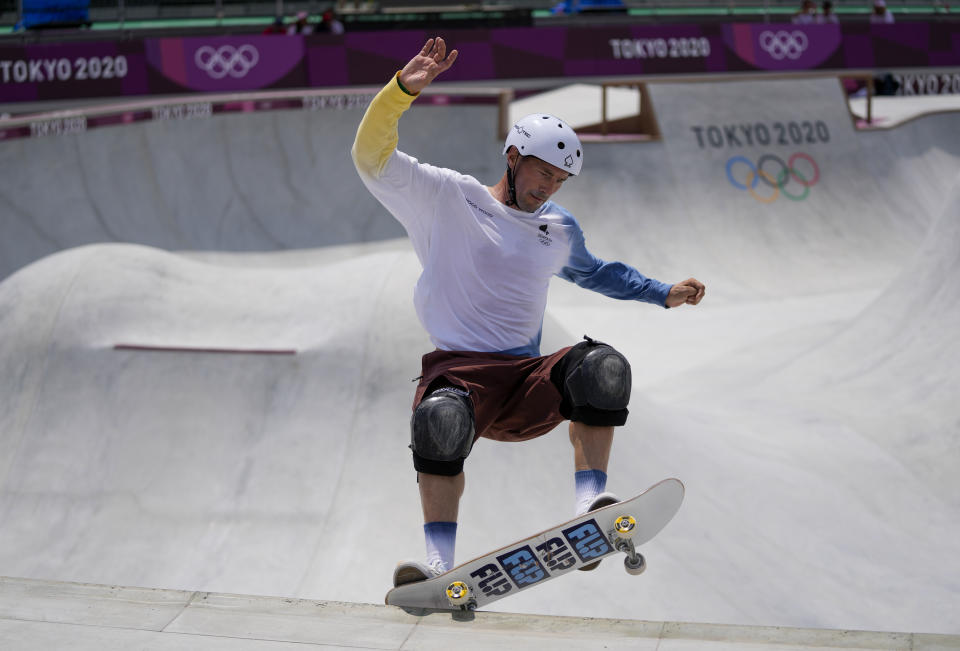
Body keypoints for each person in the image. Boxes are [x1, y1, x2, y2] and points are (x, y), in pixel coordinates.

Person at [352, 37, 706, 587]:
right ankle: (439, 565)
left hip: (525, 380)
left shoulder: (556, 228)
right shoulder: (448, 198)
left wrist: (662, 292)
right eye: (543, 173)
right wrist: (401, 92)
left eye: (560, 182)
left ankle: (593, 508)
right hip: (460, 378)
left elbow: (595, 272)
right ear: (513, 158)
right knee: (439, 420)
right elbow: (370, 156)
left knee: (603, 366)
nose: (548, 189)